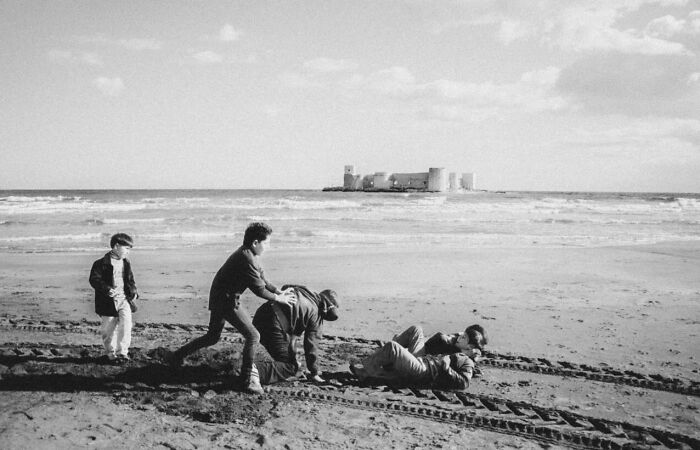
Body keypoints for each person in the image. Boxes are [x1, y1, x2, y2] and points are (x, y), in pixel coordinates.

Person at [168, 222, 295, 394]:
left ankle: (177, 356)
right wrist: (278, 298)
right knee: (253, 335)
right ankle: (247, 379)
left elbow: (263, 280)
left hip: (224, 296)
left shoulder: (252, 255)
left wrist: (278, 291)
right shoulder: (246, 258)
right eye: (267, 243)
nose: (269, 247)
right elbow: (258, 290)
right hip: (225, 300)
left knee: (212, 336)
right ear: (255, 242)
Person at [350, 324, 487, 390]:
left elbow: (463, 383)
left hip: (423, 371)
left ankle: (365, 371)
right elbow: (435, 342)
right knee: (416, 329)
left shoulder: (467, 361)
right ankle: (385, 358)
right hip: (423, 361)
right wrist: (448, 339)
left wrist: (446, 367)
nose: (459, 336)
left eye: (464, 337)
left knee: (393, 347)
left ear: (469, 347)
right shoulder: (455, 344)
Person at [253, 284, 339, 385]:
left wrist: (293, 359)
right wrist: (314, 372)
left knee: (285, 359)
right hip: (273, 325)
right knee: (289, 368)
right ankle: (250, 370)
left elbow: (292, 340)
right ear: (328, 309)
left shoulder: (305, 291)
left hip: (260, 315)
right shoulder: (316, 314)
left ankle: (252, 365)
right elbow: (311, 346)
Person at [89, 233, 139, 363]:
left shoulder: (126, 263)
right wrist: (107, 289)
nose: (128, 252)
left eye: (129, 249)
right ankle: (111, 354)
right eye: (126, 248)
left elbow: (130, 280)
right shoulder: (101, 263)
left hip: (124, 300)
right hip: (107, 302)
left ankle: (122, 353)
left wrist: (134, 292)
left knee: (126, 325)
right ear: (116, 246)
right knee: (108, 329)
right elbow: (94, 279)